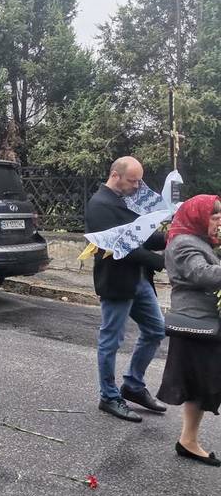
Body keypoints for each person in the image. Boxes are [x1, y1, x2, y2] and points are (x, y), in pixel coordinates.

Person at [85, 156, 166, 422]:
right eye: (133, 180)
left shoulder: (127, 200)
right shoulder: (99, 205)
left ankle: (132, 385)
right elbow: (122, 247)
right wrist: (160, 260)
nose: (137, 185)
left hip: (140, 279)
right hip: (117, 282)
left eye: (139, 180)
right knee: (111, 340)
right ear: (115, 175)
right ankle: (108, 396)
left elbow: (140, 236)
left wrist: (169, 237)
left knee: (155, 329)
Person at [156, 195, 221, 466]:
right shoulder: (184, 243)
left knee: (200, 384)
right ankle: (188, 441)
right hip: (197, 323)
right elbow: (202, 273)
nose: (219, 221)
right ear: (198, 216)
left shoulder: (198, 239)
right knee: (198, 384)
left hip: (205, 322)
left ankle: (188, 440)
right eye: (214, 216)